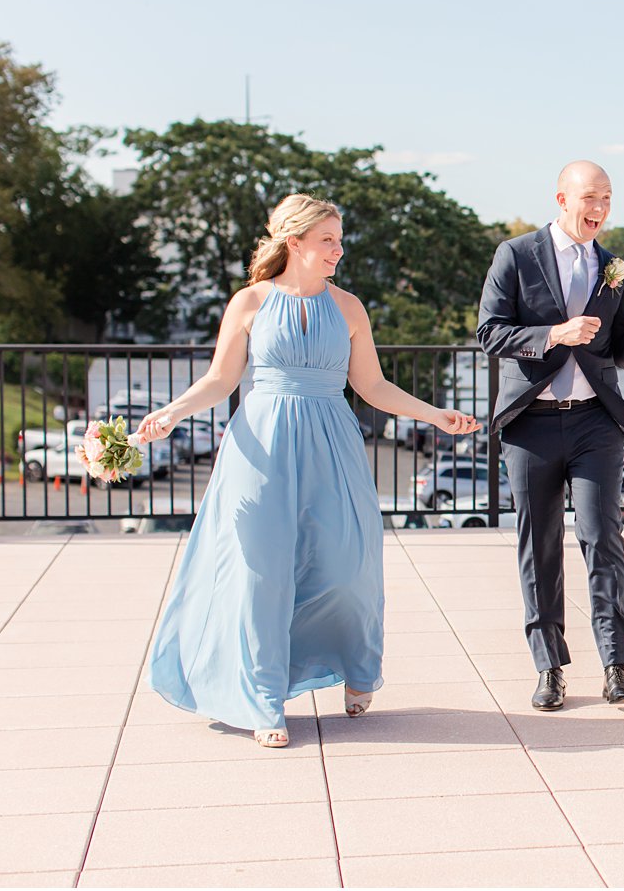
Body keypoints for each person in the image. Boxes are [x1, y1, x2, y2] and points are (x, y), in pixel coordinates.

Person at [139, 195, 481, 748]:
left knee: (348, 566)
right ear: (294, 243)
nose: (339, 250)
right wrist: (173, 412)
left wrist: (435, 415)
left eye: (339, 239)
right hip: (262, 444)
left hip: (332, 442)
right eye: (328, 240)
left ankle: (355, 667)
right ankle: (263, 701)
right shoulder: (248, 303)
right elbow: (222, 379)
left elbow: (372, 387)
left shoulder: (349, 308)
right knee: (261, 575)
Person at [477, 160, 624, 711]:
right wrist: (553, 334)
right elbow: (489, 332)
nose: (599, 209)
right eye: (590, 198)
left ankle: (615, 663)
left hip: (594, 422)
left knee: (604, 537)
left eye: (607, 198)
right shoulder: (516, 254)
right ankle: (549, 667)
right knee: (541, 545)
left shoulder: (615, 269)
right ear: (562, 198)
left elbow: (620, 352)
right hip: (530, 423)